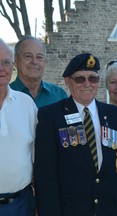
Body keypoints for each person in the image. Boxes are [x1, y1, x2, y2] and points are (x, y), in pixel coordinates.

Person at [34, 53, 117, 216]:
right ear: (68, 81)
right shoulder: (50, 116)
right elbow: (45, 178)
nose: (87, 84)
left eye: (93, 78)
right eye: (80, 79)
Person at [0, 39, 37, 215]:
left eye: (6, 63)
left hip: (20, 205)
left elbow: (37, 153)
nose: (2, 68)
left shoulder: (26, 104)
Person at [10, 35, 67, 108]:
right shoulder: (4, 95)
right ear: (16, 60)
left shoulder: (59, 95)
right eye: (28, 56)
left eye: (39, 57)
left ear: (45, 62)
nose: (34, 62)